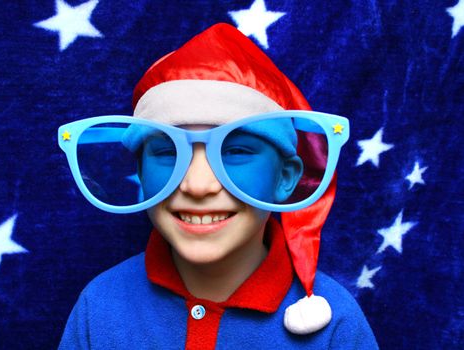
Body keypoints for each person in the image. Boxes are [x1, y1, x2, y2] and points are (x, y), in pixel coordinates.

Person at [57, 23, 378, 349]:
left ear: (285, 178)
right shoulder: (99, 307)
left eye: (236, 152)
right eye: (168, 151)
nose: (197, 185)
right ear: (140, 174)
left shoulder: (335, 324)